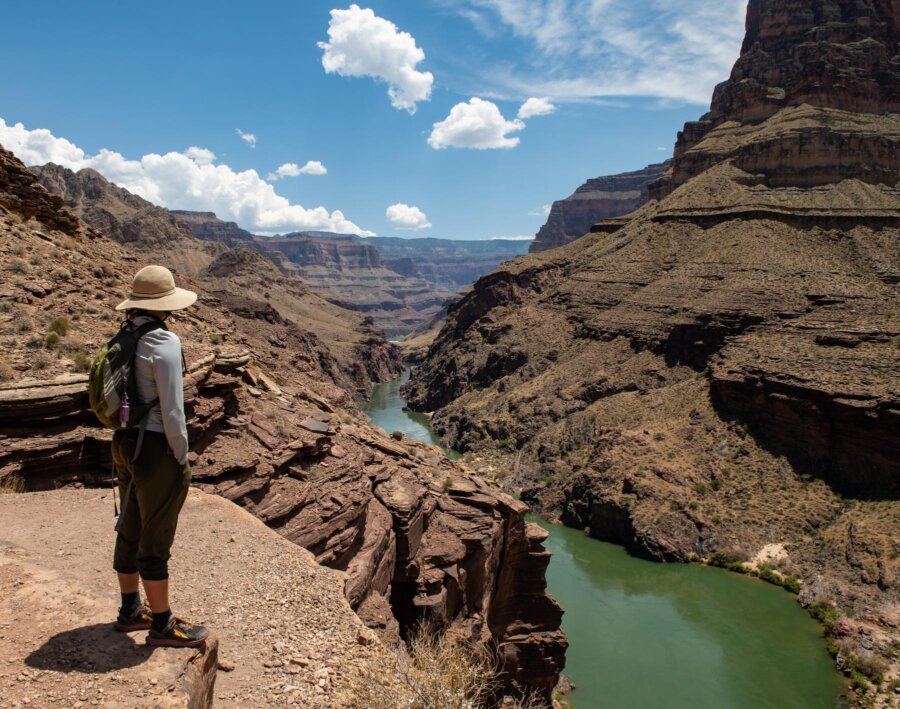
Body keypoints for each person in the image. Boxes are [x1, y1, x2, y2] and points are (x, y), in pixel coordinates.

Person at [110, 265, 209, 647]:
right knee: (156, 535)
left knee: (129, 523)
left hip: (122, 442)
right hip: (153, 448)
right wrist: (180, 456)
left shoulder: (124, 335)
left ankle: (130, 609)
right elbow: (173, 410)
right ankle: (163, 625)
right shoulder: (163, 341)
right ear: (166, 304)